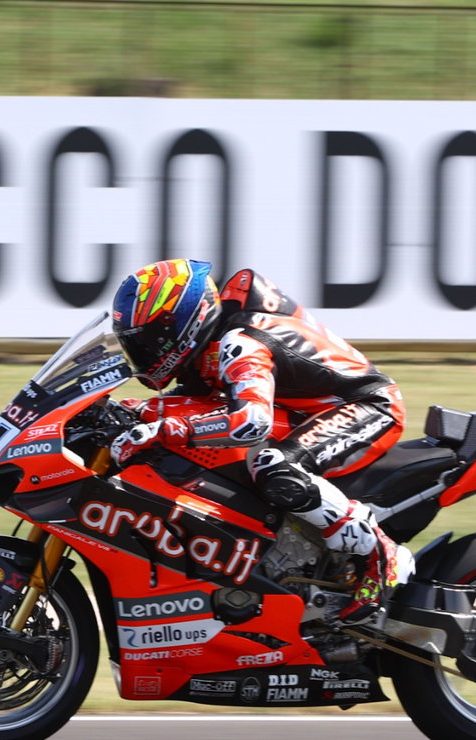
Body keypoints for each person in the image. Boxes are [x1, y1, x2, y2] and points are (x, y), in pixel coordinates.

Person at [106, 258, 413, 626]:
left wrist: (164, 430)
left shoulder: (241, 343)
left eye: (148, 341)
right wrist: (124, 411)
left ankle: (380, 553)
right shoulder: (208, 345)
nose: (142, 353)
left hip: (368, 406)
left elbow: (251, 422)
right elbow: (192, 404)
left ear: (183, 325)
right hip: (305, 409)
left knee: (274, 466)